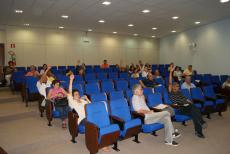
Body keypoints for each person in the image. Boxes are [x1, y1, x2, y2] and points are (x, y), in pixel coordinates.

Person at [168, 66, 207, 138]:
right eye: (176, 86)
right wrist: (171, 72)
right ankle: (201, 121)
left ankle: (199, 132)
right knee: (194, 110)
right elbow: (170, 82)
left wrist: (191, 103)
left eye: (178, 86)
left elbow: (187, 99)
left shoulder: (180, 92)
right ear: (173, 87)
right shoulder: (171, 93)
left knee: (195, 113)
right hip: (180, 108)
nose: (177, 88)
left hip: (187, 107)